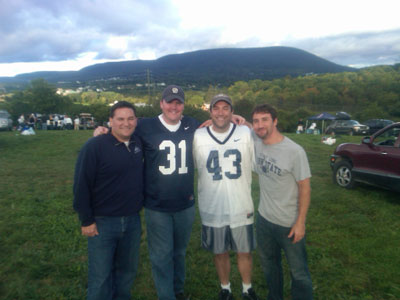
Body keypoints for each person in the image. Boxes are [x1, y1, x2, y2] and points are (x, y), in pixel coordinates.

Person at [94, 86, 245, 300]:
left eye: (178, 102)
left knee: (179, 253)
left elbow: (216, 123)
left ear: (183, 105)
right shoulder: (145, 125)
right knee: (161, 255)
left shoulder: (192, 124)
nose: (174, 106)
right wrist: (103, 131)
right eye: (170, 102)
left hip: (185, 203)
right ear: (161, 104)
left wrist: (235, 117)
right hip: (157, 205)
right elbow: (122, 130)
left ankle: (178, 290)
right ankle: (167, 296)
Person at [73, 101, 143, 300]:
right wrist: (86, 220)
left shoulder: (138, 142)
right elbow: (81, 185)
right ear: (110, 121)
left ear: (136, 121)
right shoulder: (95, 146)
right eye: (120, 119)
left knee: (126, 273)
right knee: (101, 277)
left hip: (132, 221)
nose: (126, 123)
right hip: (103, 223)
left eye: (130, 118)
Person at [193, 94, 259, 300]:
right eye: (216, 108)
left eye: (225, 108)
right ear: (210, 111)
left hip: (241, 204)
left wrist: (245, 121)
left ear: (232, 111)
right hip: (212, 205)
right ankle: (226, 288)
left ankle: (247, 289)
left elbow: (266, 140)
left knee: (244, 251)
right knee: (219, 251)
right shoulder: (199, 136)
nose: (220, 112)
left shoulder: (245, 132)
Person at [251, 104, 313, 300]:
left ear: (275, 121)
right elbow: (238, 123)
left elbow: (305, 187)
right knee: (270, 266)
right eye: (256, 121)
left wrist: (300, 222)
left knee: (299, 273)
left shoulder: (295, 151)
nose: (260, 125)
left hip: (289, 223)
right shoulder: (257, 142)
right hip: (264, 220)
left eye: (265, 119)